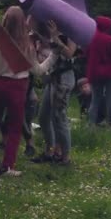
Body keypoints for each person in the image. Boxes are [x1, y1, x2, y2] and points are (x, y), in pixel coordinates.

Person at [0, 7, 60, 177]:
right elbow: (37, 71)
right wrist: (53, 56)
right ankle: (7, 166)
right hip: (17, 87)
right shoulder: (26, 46)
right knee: (15, 128)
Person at [32, 34, 77, 165]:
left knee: (59, 117)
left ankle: (65, 156)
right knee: (43, 116)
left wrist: (55, 37)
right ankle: (50, 151)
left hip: (63, 79)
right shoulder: (55, 29)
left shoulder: (71, 32)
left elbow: (69, 53)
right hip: (53, 78)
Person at [85, 16, 111, 128]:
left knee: (95, 99)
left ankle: (91, 123)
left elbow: (86, 54)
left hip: (94, 72)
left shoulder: (90, 39)